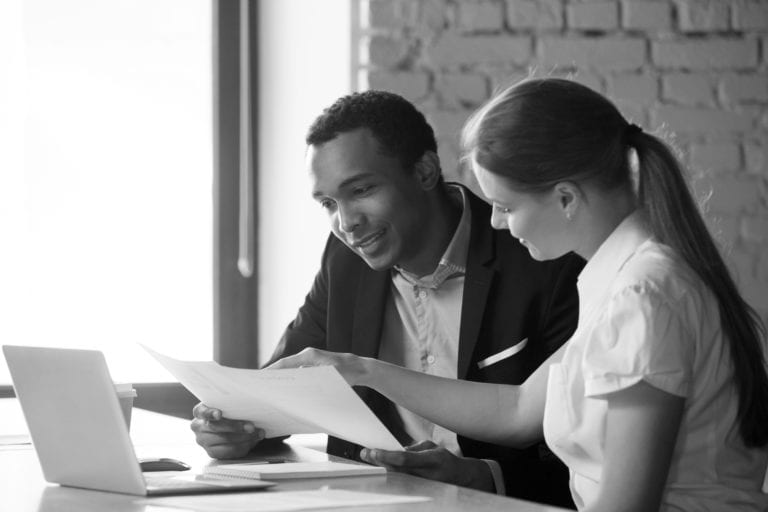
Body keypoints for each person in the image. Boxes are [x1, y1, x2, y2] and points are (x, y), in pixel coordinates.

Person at [270, 79, 768, 511]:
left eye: (506, 205)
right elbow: (516, 411)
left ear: (566, 198)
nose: (495, 221)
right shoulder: (621, 281)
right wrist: (362, 370)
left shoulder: (643, 295)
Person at [191, 90, 584, 507]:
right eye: (328, 203)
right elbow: (284, 384)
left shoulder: (544, 261)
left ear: (426, 171)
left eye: (360, 190)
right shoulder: (344, 261)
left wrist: (483, 475)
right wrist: (236, 426)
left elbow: (587, 451)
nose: (346, 224)